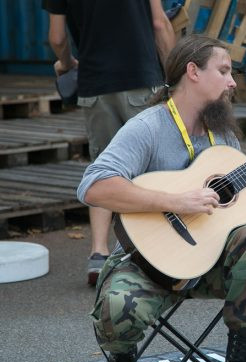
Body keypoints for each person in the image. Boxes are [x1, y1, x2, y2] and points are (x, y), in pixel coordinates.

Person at [77, 34, 246, 362]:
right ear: (192, 72)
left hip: (209, 262)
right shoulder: (148, 126)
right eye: (224, 71)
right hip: (148, 264)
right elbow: (93, 187)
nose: (232, 82)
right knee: (116, 306)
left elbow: (239, 215)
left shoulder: (224, 133)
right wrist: (177, 201)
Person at [43, 0, 176, 286]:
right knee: (148, 169)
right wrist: (174, 78)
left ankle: (99, 254)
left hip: (95, 86)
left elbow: (56, 38)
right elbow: (159, 23)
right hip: (140, 79)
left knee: (104, 169)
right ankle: (151, 252)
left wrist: (66, 63)